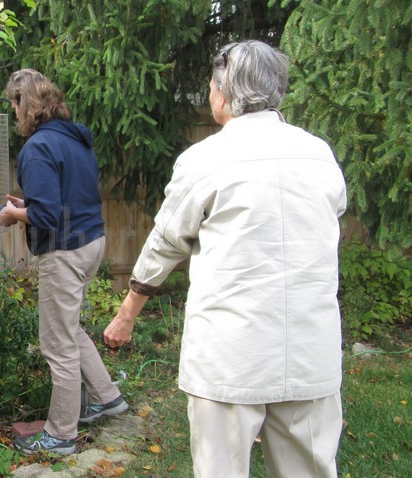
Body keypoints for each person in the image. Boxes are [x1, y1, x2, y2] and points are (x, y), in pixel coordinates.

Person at [103, 40, 347, 477]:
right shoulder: (319, 154)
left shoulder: (205, 159)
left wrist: (126, 314)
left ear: (222, 92)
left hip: (232, 353)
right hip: (312, 346)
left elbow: (165, 243)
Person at [0, 69, 127, 455]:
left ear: (25, 104)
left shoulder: (36, 148)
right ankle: (107, 398)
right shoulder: (75, 140)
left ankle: (60, 435)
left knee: (57, 343)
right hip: (92, 242)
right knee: (70, 330)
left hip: (64, 251)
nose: (14, 112)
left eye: (14, 104)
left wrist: (12, 213)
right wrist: (26, 207)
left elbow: (47, 216)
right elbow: (61, 199)